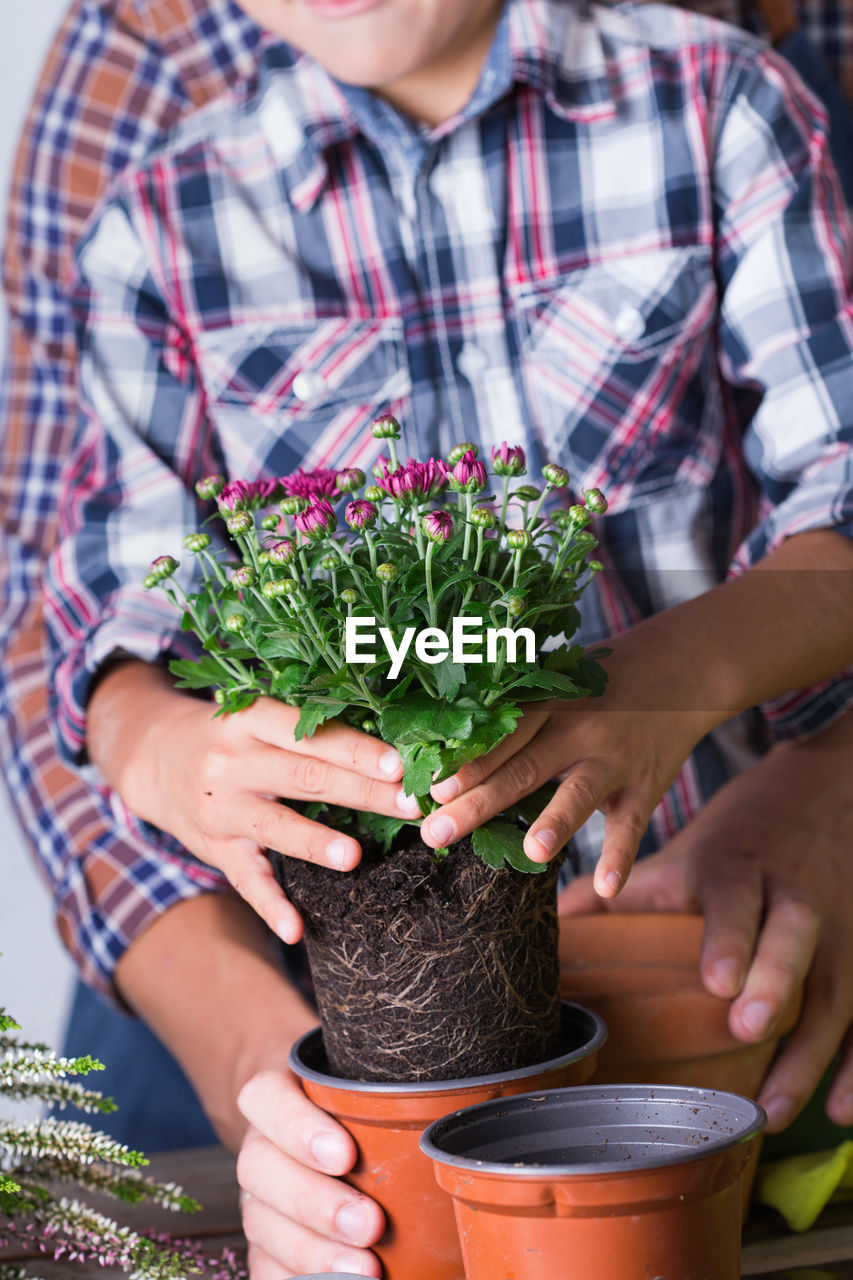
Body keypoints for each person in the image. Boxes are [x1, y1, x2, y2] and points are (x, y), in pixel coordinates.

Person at [0, 2, 850, 1279]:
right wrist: (149, 736)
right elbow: (79, 615)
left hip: (689, 908)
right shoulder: (162, 211)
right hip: (304, 975)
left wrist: (683, 689)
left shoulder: (719, 98)